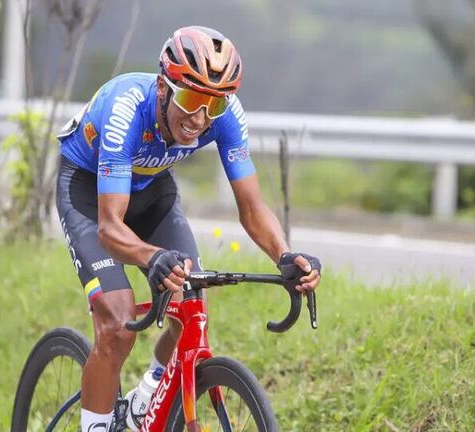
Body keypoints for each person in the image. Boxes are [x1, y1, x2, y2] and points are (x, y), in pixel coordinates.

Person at [55, 25, 322, 431]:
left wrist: (285, 255)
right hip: (91, 192)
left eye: (213, 106)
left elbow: (252, 208)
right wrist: (152, 255)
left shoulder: (224, 114)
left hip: (151, 187)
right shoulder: (125, 110)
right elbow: (110, 227)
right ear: (163, 87)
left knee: (190, 305)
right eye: (193, 98)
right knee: (117, 323)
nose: (200, 117)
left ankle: (146, 401)